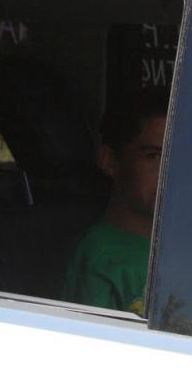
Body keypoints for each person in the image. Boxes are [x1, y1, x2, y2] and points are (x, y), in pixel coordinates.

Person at [63, 94, 167, 315]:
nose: (171, 171)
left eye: (182, 155)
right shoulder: (98, 257)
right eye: (154, 156)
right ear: (110, 161)